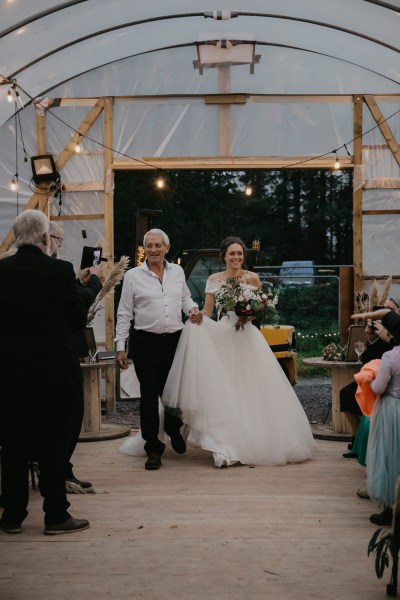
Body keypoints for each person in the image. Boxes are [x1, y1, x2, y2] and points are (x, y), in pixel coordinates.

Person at [162, 236, 315, 468]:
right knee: (224, 390)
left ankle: (252, 441)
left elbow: (262, 308)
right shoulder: (214, 280)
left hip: (247, 337)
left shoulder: (252, 278)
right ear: (223, 256)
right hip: (224, 334)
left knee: (251, 389)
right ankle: (224, 445)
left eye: (239, 253)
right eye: (232, 253)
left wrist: (251, 314)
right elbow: (208, 310)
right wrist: (196, 316)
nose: (236, 257)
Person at [0, 209, 90, 534]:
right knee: (53, 444)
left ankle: (11, 516)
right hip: (54, 372)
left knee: (13, 446)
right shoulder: (60, 270)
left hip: (9, 373)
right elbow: (78, 318)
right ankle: (55, 516)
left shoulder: (1, 270)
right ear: (43, 238)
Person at [115, 228, 202, 470]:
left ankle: (174, 430)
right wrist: (121, 346)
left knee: (174, 394)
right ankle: (153, 448)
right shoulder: (133, 276)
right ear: (145, 249)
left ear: (166, 248)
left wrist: (193, 309)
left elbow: (185, 298)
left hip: (174, 341)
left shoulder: (177, 272)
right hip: (145, 343)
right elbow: (124, 313)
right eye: (149, 246)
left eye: (158, 245)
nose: (153, 249)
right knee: (149, 396)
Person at [49, 221, 105, 491]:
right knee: (71, 414)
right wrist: (94, 281)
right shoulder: (57, 269)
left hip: (21, 361)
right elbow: (77, 308)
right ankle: (59, 471)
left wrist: (76, 282)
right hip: (59, 355)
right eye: (58, 239)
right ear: (46, 238)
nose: (60, 244)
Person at [351, 308, 400, 526]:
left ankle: (390, 509)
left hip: (391, 410)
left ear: (389, 333)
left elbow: (379, 388)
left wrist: (368, 379)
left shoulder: (390, 356)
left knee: (389, 457)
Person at [340, 300, 396, 459]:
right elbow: (367, 361)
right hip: (376, 376)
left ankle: (366, 443)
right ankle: (359, 441)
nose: (386, 313)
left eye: (390, 309)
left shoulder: (394, 333)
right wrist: (371, 338)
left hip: (390, 379)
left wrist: (387, 338)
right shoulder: (380, 332)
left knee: (368, 396)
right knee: (346, 393)